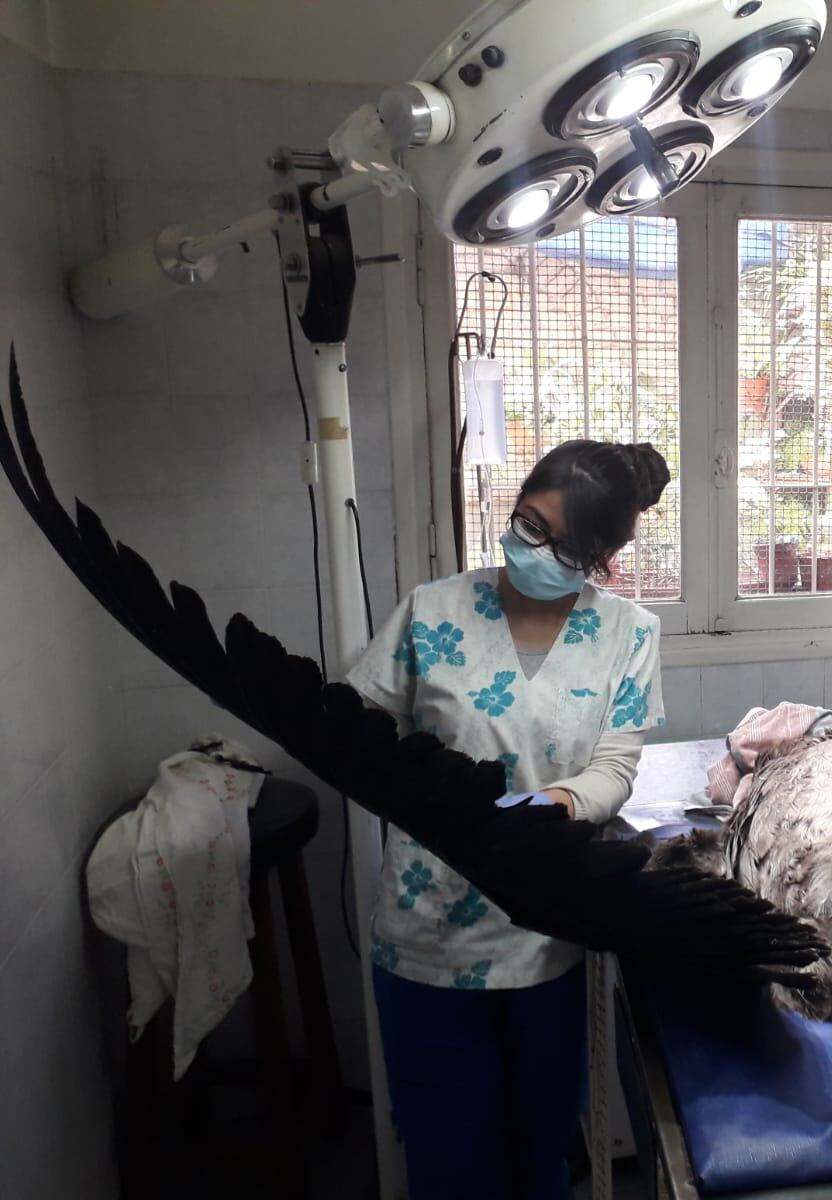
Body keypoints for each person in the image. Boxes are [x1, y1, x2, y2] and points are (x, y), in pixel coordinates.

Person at [347, 439, 670, 1200]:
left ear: (602, 555)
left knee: (541, 1158)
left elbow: (614, 770)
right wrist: (419, 791)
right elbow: (358, 726)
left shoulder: (629, 635)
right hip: (426, 935)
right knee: (449, 1163)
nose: (540, 551)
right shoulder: (432, 611)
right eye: (531, 525)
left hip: (544, 939)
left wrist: (544, 809)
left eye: (569, 546)